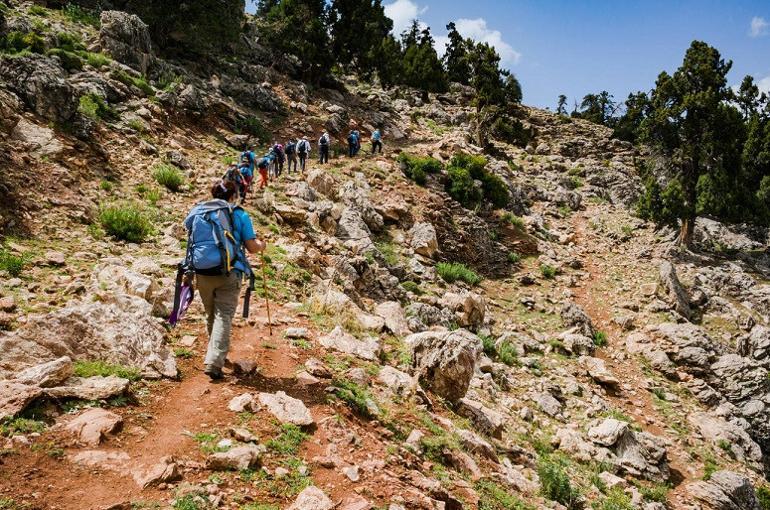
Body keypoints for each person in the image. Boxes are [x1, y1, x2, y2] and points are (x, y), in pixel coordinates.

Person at [184, 181, 266, 380]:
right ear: (232, 195)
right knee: (224, 315)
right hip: (229, 272)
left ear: (212, 193)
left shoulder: (197, 212)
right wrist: (263, 245)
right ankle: (214, 362)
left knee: (211, 313)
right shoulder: (238, 213)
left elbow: (188, 231)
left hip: (202, 272)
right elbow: (252, 247)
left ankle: (216, 353)